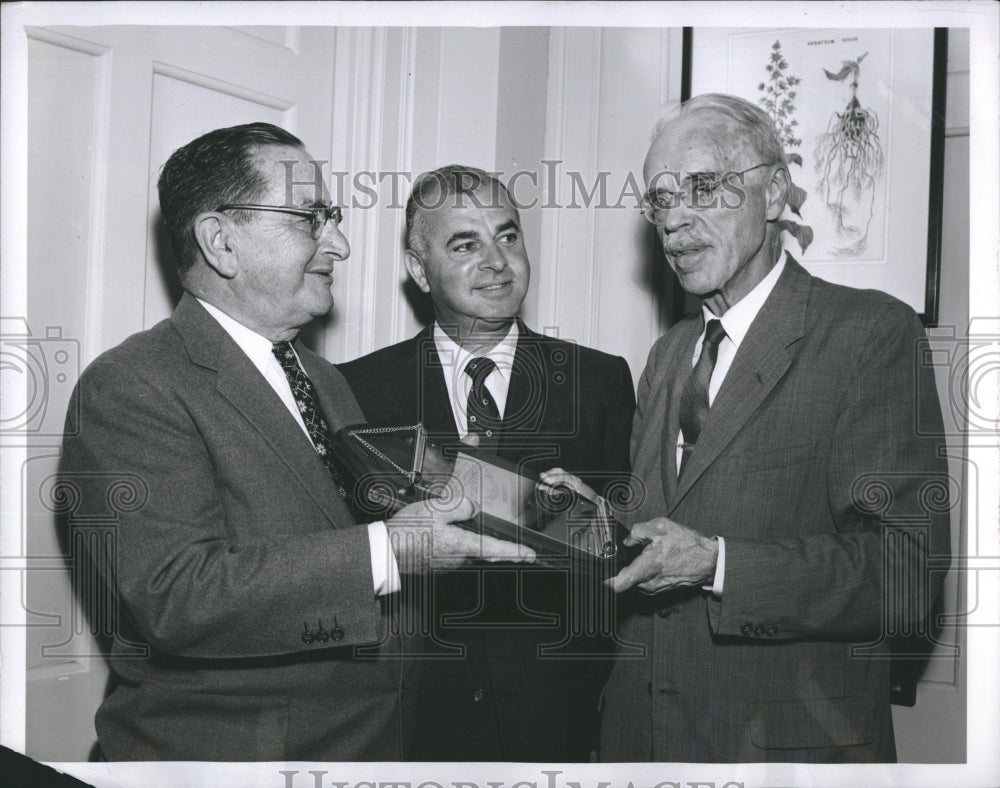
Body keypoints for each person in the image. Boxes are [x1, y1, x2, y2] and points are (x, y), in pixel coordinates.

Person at [58, 124, 529, 762]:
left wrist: (522, 505)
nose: (339, 242)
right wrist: (395, 549)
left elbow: (346, 519)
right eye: (311, 218)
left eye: (330, 216)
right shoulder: (131, 386)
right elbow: (177, 597)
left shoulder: (322, 377)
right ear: (221, 241)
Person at [594, 94, 951, 763]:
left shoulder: (869, 334)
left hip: (786, 750)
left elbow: (908, 575)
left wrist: (720, 565)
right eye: (660, 200)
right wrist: (595, 524)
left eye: (702, 188)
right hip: (641, 746)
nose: (675, 219)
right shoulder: (669, 355)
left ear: (774, 187)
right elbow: (664, 530)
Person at [339, 165, 635, 761]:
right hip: (414, 718)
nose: (497, 261)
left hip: (558, 714)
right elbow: (347, 555)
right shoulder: (357, 389)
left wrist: (598, 524)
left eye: (508, 235)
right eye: (465, 244)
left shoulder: (599, 380)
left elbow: (627, 546)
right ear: (419, 269)